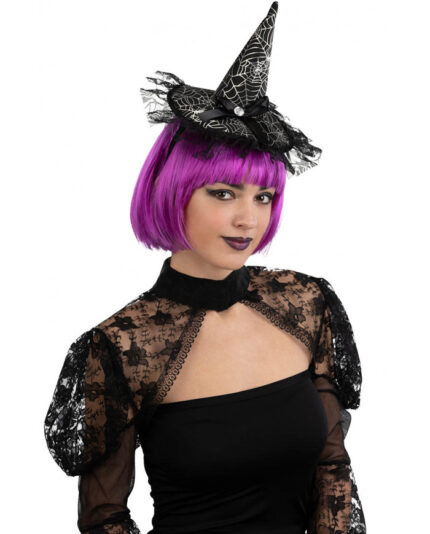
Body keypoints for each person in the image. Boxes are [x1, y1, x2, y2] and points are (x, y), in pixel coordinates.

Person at [44, 3, 366, 533]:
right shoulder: (121, 347)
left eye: (264, 196)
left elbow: (332, 468)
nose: (248, 219)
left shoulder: (306, 303)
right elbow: (105, 519)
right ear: (174, 192)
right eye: (223, 193)